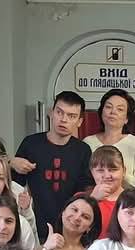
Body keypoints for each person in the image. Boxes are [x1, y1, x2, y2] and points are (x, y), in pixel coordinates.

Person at [12, 91, 94, 240]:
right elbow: (15, 184)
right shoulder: (31, 143)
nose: (63, 119)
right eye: (59, 112)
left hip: (71, 229)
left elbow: (85, 191)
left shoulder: (83, 150)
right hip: (34, 226)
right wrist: (11, 163)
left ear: (80, 122)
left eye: (71, 116)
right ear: (51, 113)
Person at [84, 89, 135, 187]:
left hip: (127, 195)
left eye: (120, 109)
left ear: (127, 118)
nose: (113, 112)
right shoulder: (88, 142)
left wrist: (119, 174)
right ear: (101, 112)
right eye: (108, 107)